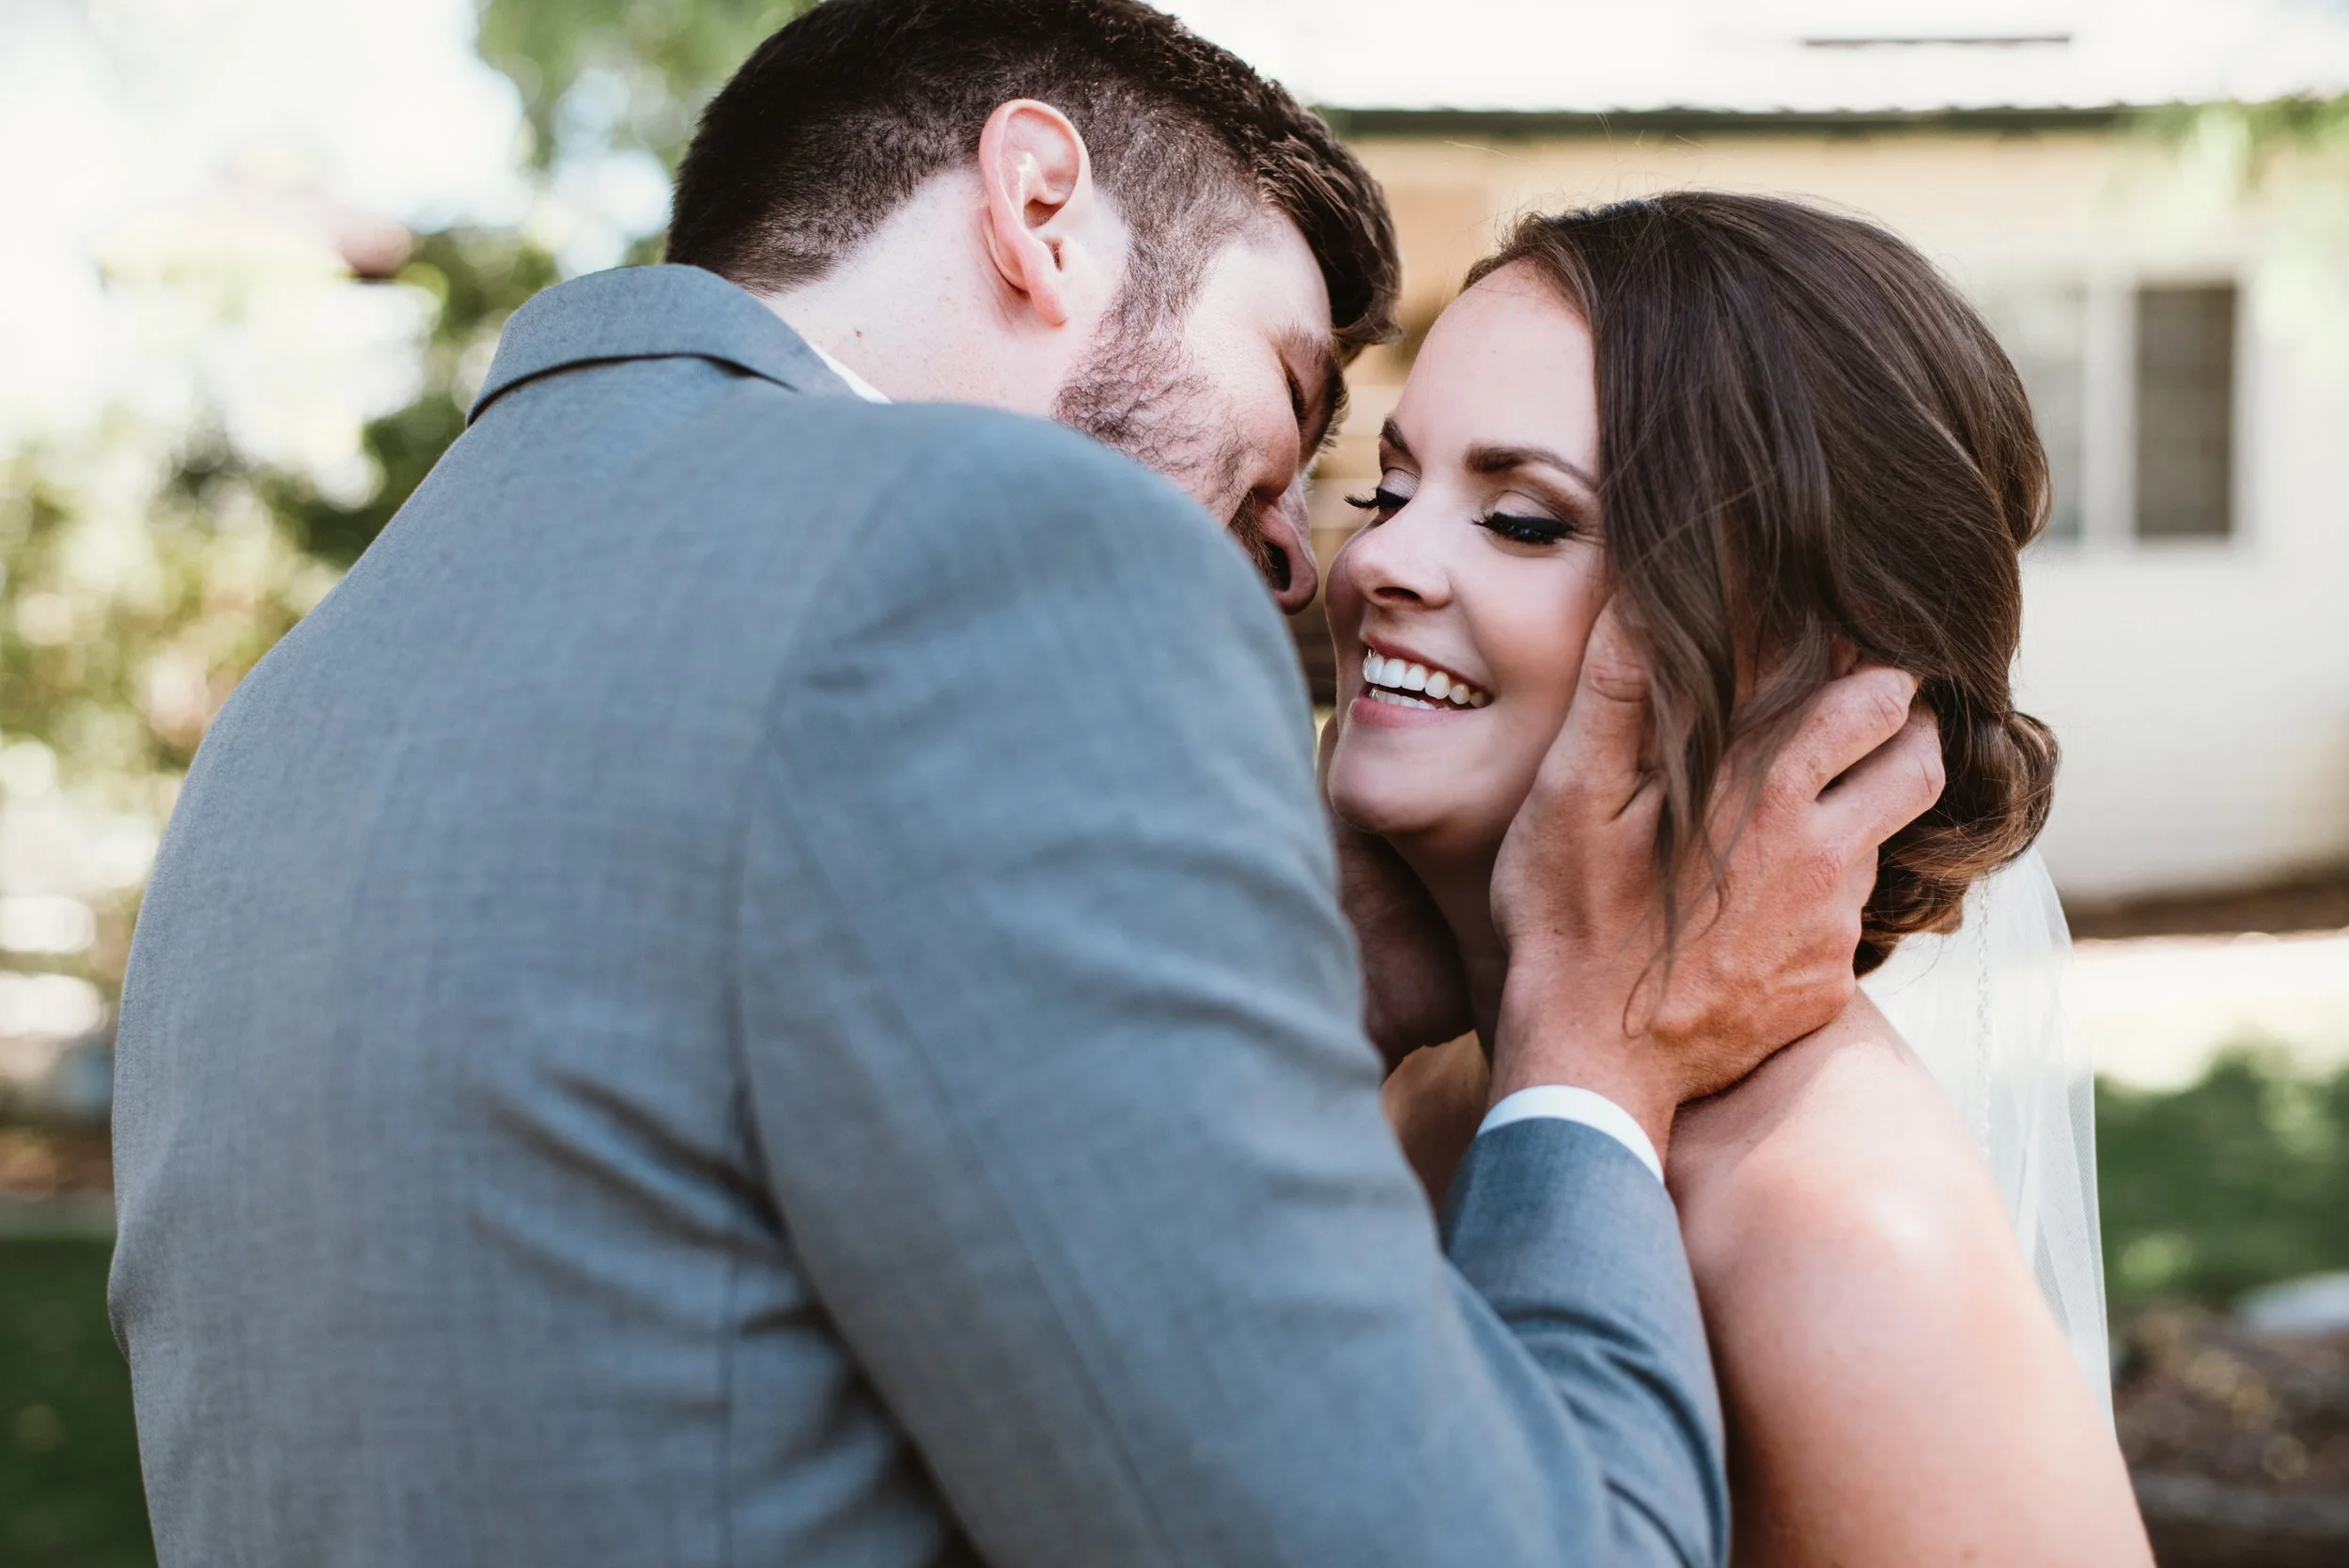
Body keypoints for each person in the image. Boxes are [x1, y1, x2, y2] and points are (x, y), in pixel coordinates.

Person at [106, 3, 1937, 1563]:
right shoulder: (983, 548)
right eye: (1288, 395)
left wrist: (1267, 991)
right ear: (1038, 208)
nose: (1300, 560)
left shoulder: (307, 698)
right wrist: (1588, 1067)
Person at [1330, 193, 2155, 1565]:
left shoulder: (1840, 1239)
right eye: (1392, 488)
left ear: (1796, 658)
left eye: (1525, 520)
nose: (1378, 564)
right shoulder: (1430, 1097)